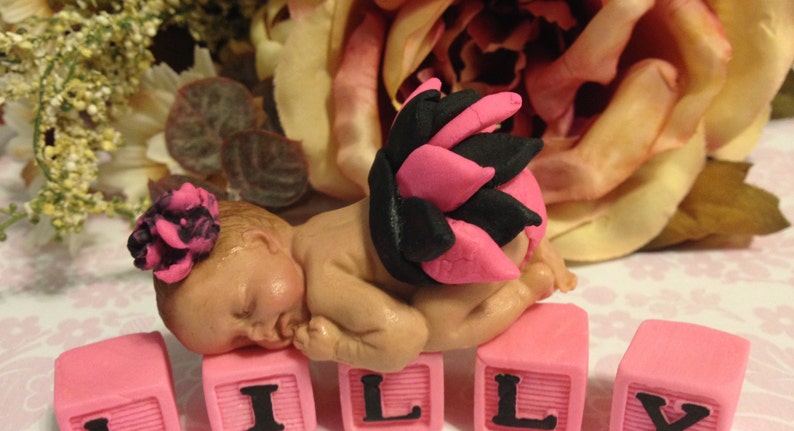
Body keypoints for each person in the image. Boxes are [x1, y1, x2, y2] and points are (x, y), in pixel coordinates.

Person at [128, 79, 577, 373]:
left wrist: (339, 348)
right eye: (240, 342)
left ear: (264, 242)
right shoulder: (314, 224)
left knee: (436, 324)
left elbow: (405, 335)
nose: (261, 334)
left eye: (245, 309)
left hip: (491, 236)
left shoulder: (323, 281)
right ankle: (541, 241)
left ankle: (528, 284)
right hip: (513, 190)